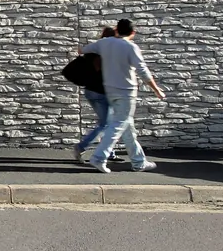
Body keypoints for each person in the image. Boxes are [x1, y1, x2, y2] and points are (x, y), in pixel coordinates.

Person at [84, 18, 166, 173]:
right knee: (118, 125)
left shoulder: (105, 43)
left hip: (110, 91)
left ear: (117, 30)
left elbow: (84, 49)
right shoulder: (130, 47)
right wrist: (156, 90)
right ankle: (99, 158)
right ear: (133, 32)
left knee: (127, 127)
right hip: (126, 93)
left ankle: (139, 162)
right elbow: (142, 70)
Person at [71, 26, 117, 163]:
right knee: (106, 124)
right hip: (102, 92)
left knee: (107, 122)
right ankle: (81, 146)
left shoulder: (93, 49)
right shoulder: (110, 52)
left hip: (90, 91)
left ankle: (109, 152)